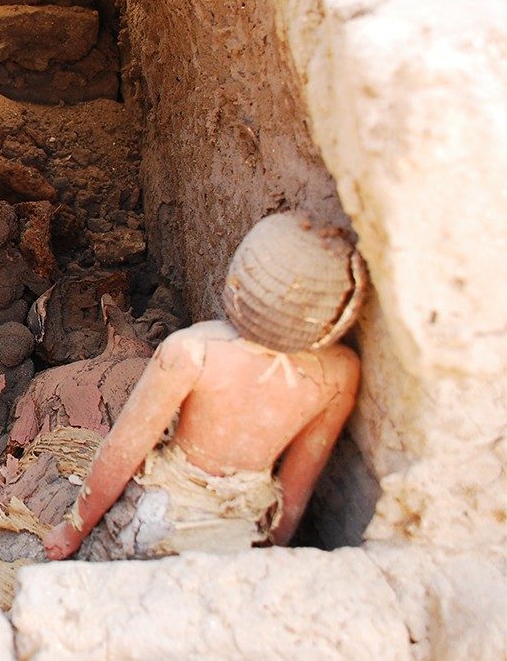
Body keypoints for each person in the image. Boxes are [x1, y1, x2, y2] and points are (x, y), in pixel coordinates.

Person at [43, 211, 367, 560]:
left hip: (160, 518)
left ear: (239, 283)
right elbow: (297, 484)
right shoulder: (339, 372)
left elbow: (121, 454)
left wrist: (73, 530)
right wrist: (271, 553)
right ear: (337, 315)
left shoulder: (195, 351)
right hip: (243, 529)